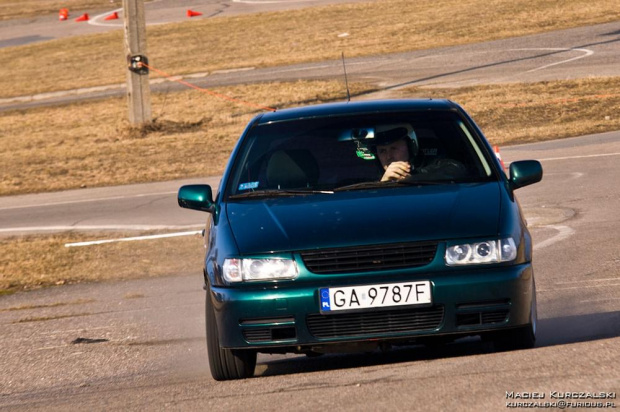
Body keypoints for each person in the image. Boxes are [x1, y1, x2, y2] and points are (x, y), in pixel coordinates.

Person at [373, 125, 467, 182]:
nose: (389, 156)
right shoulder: (368, 178)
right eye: (382, 151)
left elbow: (456, 169)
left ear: (411, 147)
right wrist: (383, 184)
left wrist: (411, 176)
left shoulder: (431, 163)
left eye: (393, 148)